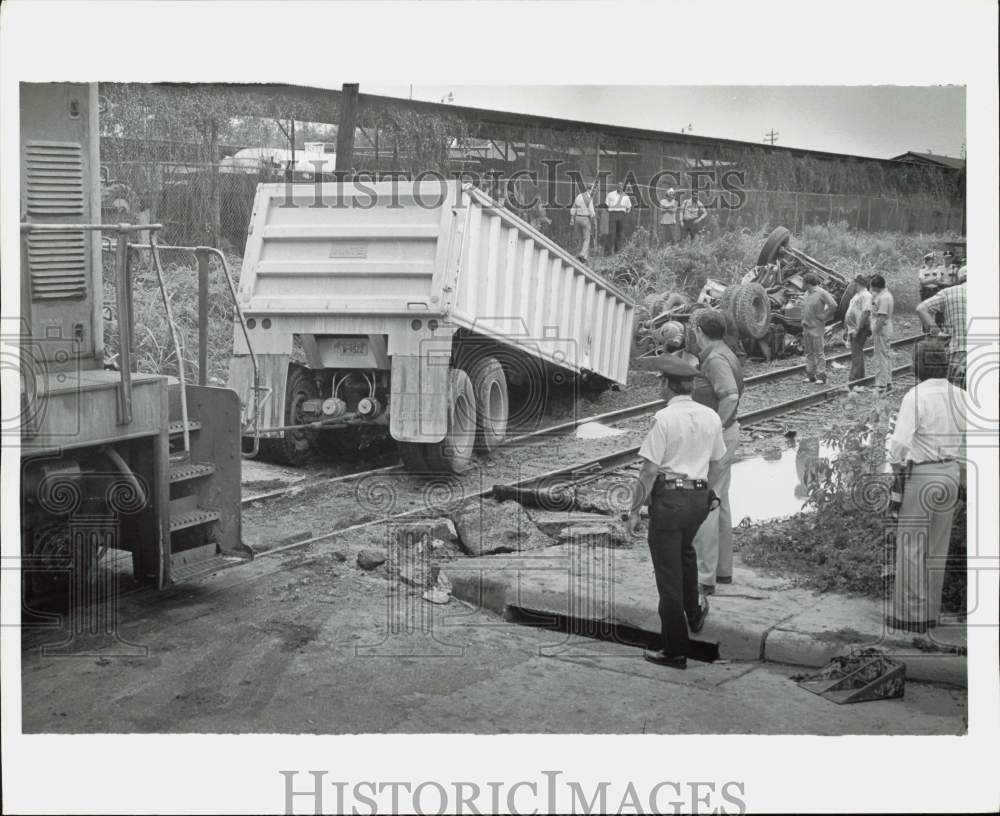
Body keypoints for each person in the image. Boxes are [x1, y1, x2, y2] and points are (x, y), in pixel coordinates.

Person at [627, 355, 726, 670]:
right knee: (685, 554)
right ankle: (694, 612)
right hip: (698, 499)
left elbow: (648, 471)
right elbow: (718, 461)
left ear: (668, 385)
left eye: (660, 381)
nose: (659, 385)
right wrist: (709, 492)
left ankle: (674, 649)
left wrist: (634, 510)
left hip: (669, 501)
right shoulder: (710, 416)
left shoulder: (664, 419)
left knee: (668, 575)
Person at [886, 339, 966, 633]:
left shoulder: (915, 396)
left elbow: (899, 445)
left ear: (918, 366)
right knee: (937, 547)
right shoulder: (960, 395)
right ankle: (931, 612)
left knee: (911, 545)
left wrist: (895, 472)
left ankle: (910, 615)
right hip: (950, 473)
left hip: (923, 476)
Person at [689, 309, 744, 595]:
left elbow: (730, 394)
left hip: (719, 436)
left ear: (699, 331)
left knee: (706, 502)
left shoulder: (715, 359)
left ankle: (703, 575)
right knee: (719, 501)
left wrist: (714, 428)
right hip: (727, 433)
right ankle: (722, 571)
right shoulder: (725, 351)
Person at [916, 282, 967, 387]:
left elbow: (921, 308)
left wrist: (937, 333)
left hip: (957, 352)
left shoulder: (949, 292)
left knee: (956, 396)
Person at [798, 272, 837, 384]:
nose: (801, 284)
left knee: (819, 352)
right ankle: (811, 375)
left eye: (803, 282)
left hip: (816, 326)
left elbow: (833, 305)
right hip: (806, 326)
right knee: (809, 352)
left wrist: (825, 315)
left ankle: (821, 376)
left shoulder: (821, 293)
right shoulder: (806, 293)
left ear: (808, 283)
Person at [843, 274, 873, 387]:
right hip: (853, 327)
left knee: (856, 351)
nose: (851, 285)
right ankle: (860, 377)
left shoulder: (866, 295)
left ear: (857, 283)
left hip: (859, 327)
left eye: (853, 283)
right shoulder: (857, 295)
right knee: (856, 351)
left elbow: (866, 312)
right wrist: (847, 328)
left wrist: (857, 328)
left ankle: (854, 379)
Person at [869, 274, 895, 393]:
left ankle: (881, 384)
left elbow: (882, 316)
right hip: (884, 328)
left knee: (880, 357)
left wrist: (874, 332)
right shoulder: (884, 295)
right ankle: (888, 382)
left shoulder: (884, 297)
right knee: (885, 355)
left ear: (876, 287)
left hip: (882, 328)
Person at [569, 181, 597, 262]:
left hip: (577, 218)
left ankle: (584, 257)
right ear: (590, 190)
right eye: (593, 190)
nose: (593, 191)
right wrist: (594, 220)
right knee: (586, 239)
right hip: (585, 219)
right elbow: (592, 212)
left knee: (581, 238)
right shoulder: (589, 198)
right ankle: (582, 254)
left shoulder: (579, 196)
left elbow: (574, 206)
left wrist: (572, 218)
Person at [604, 181, 632, 253]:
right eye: (619, 186)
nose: (620, 187)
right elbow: (606, 205)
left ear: (623, 187)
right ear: (616, 186)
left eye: (621, 186)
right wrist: (609, 211)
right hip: (613, 214)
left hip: (621, 215)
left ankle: (618, 251)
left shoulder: (626, 196)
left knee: (619, 233)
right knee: (611, 233)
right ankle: (608, 252)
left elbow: (629, 207)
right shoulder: (611, 194)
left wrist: (626, 212)